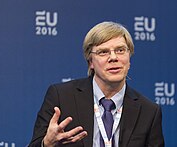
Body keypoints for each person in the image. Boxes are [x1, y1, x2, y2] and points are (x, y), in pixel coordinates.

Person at [29, 21, 164, 147]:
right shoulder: (61, 97)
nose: (113, 57)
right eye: (103, 52)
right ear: (91, 62)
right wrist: (46, 144)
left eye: (120, 50)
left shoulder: (149, 111)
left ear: (129, 57)